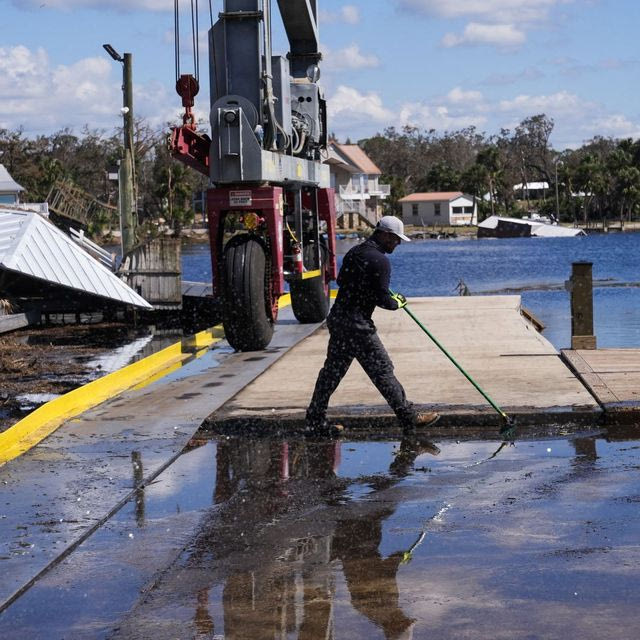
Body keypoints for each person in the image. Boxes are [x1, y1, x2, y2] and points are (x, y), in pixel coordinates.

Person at [305, 215, 440, 435]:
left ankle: (314, 421)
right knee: (383, 371)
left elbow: (341, 282)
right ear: (385, 234)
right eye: (395, 239)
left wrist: (368, 289)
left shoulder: (354, 253)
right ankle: (409, 418)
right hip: (357, 326)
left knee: (331, 372)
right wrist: (398, 301)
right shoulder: (380, 261)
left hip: (339, 320)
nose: (396, 244)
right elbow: (384, 300)